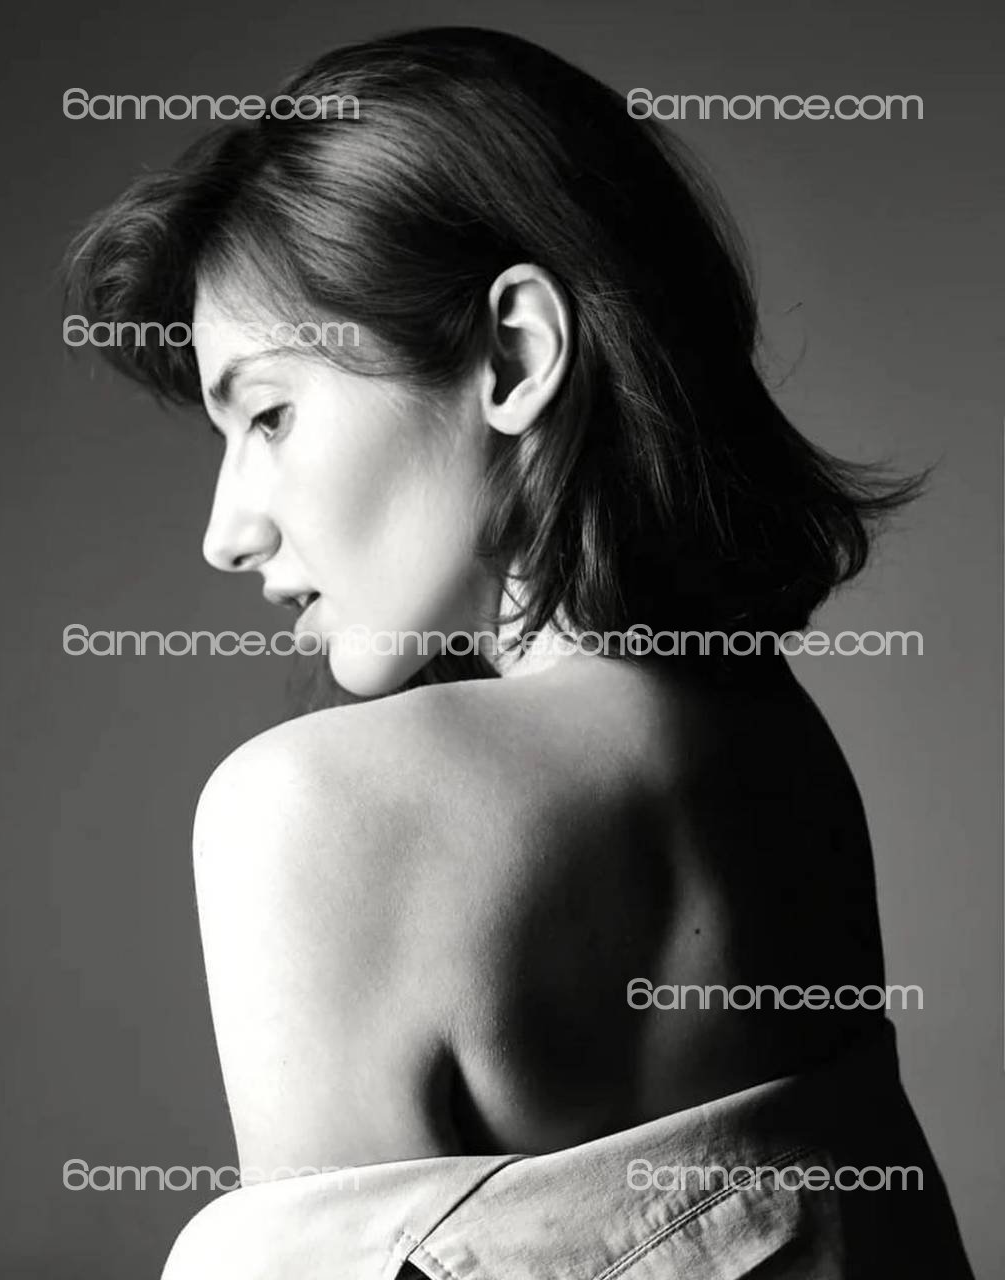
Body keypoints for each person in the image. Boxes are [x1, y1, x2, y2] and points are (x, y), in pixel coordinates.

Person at [65, 25, 974, 1279]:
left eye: (268, 413)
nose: (227, 532)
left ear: (517, 354)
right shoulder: (783, 768)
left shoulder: (310, 808)